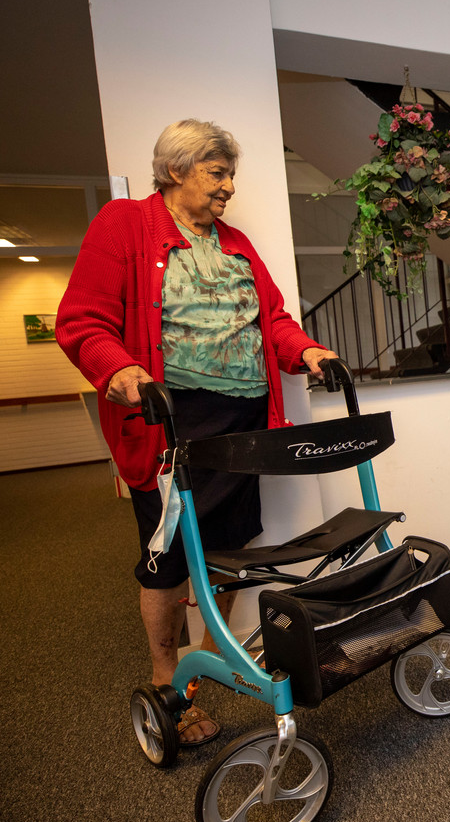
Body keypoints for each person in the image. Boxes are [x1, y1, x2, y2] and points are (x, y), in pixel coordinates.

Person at [57, 119, 338, 743]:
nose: (229, 187)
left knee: (230, 548)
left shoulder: (235, 243)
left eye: (230, 174)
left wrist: (309, 353)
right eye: (218, 173)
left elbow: (274, 321)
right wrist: (123, 371)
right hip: (170, 419)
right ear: (176, 170)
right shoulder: (125, 225)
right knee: (168, 556)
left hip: (243, 419)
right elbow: (81, 322)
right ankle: (168, 681)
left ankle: (210, 664)